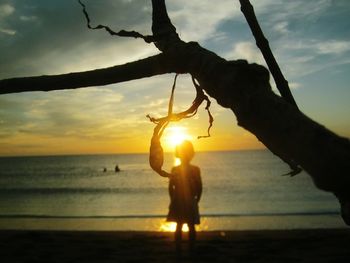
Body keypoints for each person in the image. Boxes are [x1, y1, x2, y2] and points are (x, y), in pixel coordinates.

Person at [166, 140, 202, 253]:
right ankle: (186, 249)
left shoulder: (176, 169)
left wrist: (173, 199)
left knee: (181, 225)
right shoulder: (191, 169)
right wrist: (197, 199)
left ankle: (180, 249)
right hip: (187, 200)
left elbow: (171, 187)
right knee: (187, 225)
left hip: (182, 200)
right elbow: (199, 186)